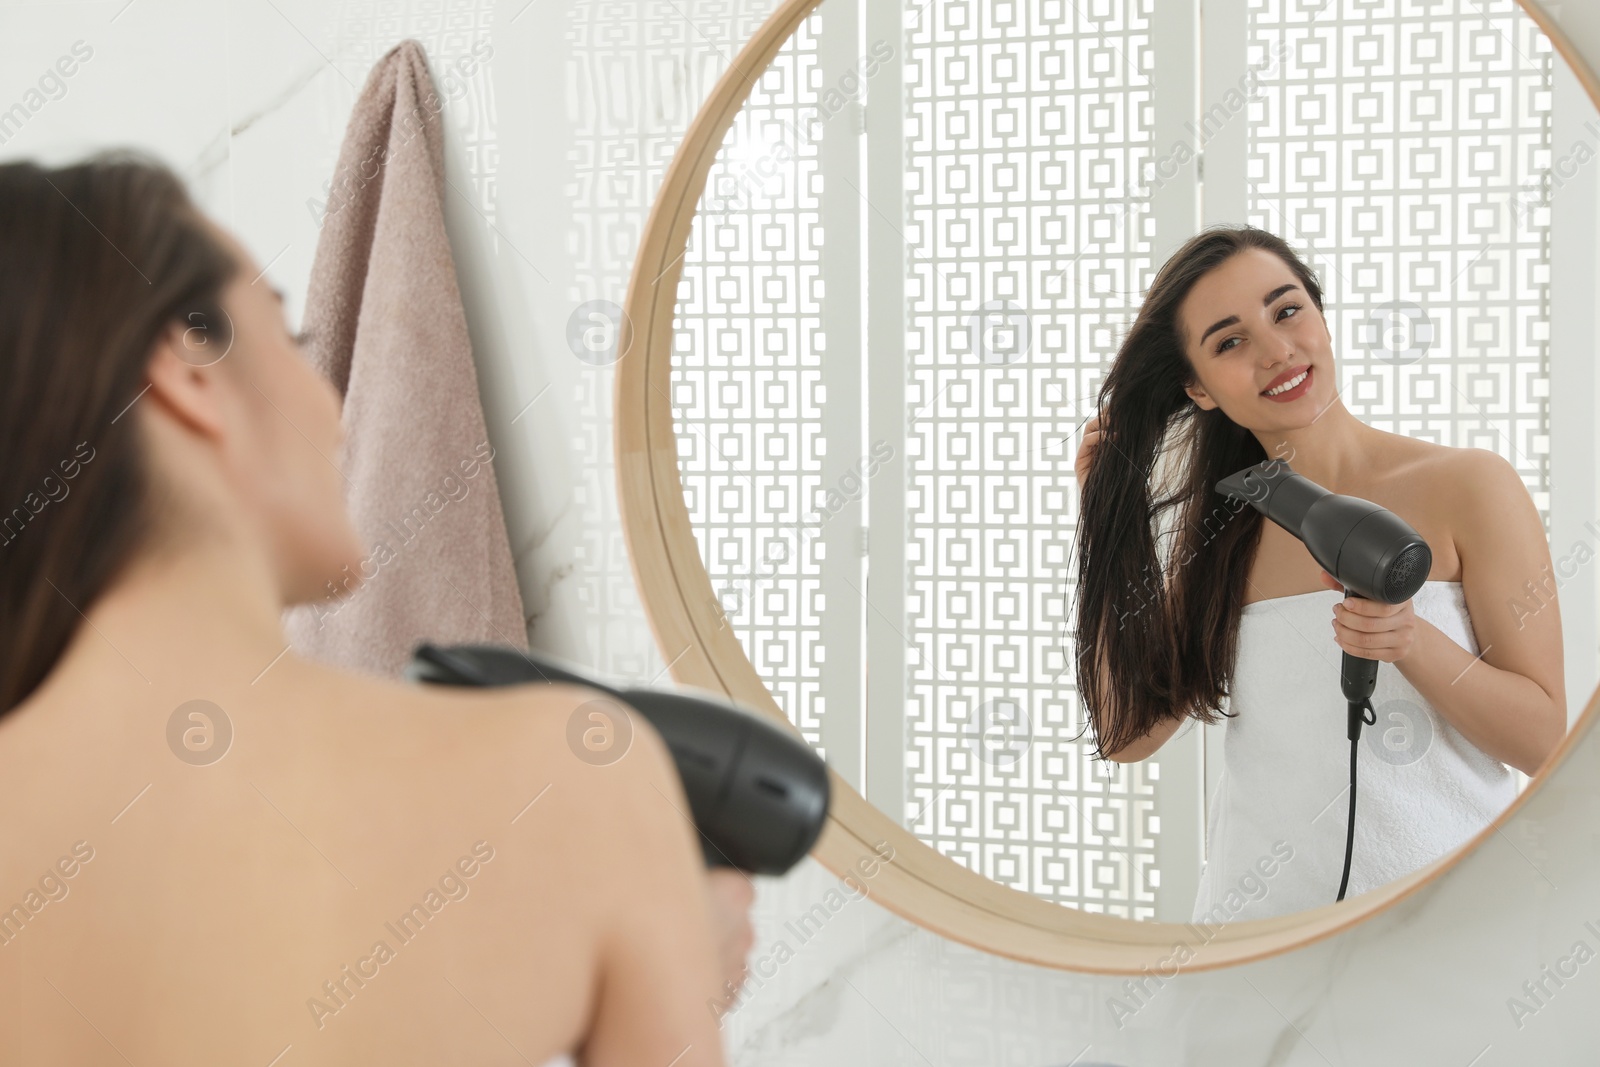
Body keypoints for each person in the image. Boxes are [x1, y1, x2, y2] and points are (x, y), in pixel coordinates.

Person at [0, 151, 754, 1064]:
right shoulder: (567, 787)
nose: (335, 411)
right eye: (294, 339)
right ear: (189, 366)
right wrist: (676, 965)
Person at [1070, 224, 1566, 921]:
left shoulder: (1469, 487)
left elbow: (1546, 739)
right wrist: (1109, 531)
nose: (1276, 350)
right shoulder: (1217, 538)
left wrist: (1410, 640)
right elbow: (1127, 736)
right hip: (1256, 941)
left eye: (1287, 308)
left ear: (1321, 314)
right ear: (1199, 388)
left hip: (1453, 930)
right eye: (1229, 341)